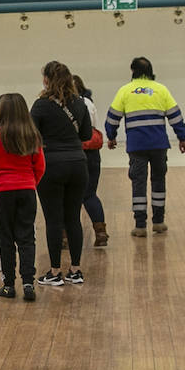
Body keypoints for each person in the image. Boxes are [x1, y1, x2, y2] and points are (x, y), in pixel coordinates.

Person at [105, 57, 185, 237]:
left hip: (136, 146)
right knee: (158, 180)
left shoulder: (125, 90)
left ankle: (140, 225)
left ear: (133, 71)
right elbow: (175, 116)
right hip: (159, 145)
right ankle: (158, 222)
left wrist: (111, 137)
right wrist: (182, 138)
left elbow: (112, 118)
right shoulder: (161, 89)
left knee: (139, 183)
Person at [31, 61, 93, 286]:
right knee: (73, 218)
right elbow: (86, 135)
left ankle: (55, 271)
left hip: (51, 166)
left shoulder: (40, 105)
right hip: (78, 164)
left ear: (47, 80)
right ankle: (76, 270)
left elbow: (33, 137)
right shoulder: (80, 104)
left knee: (53, 220)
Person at [0, 93, 45, 301]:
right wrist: (29, 183)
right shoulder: (32, 134)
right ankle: (28, 282)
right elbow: (40, 166)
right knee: (27, 237)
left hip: (2, 193)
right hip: (27, 190)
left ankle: (8, 284)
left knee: (4, 238)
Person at [73, 74, 109, 247]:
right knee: (90, 194)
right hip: (92, 153)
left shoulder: (65, 104)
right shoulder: (89, 103)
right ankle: (100, 231)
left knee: (69, 197)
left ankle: (66, 236)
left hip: (73, 152)